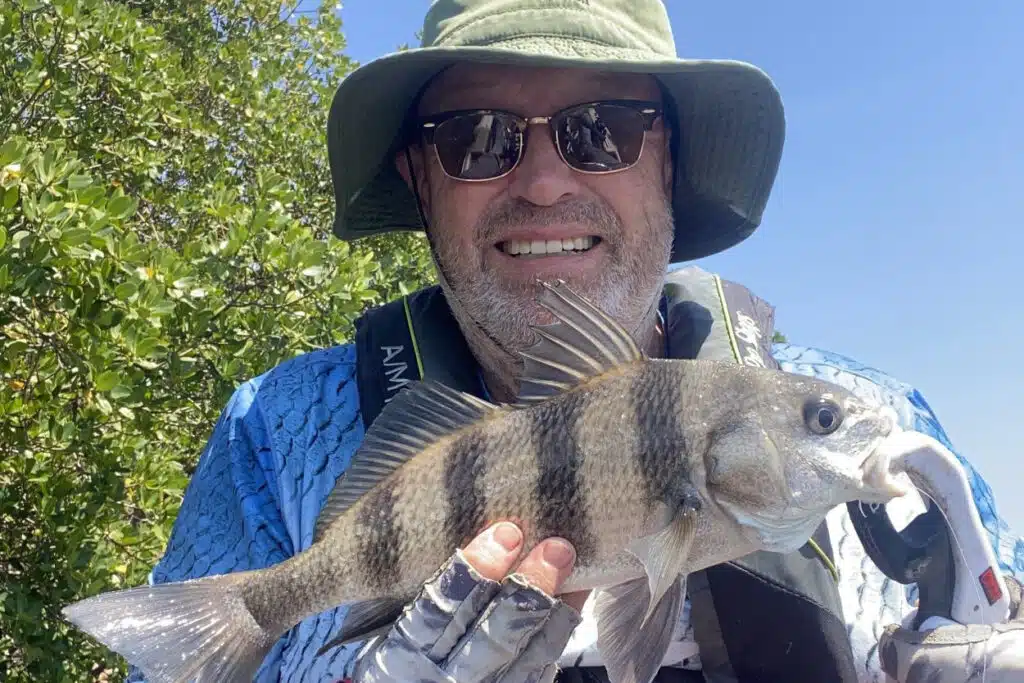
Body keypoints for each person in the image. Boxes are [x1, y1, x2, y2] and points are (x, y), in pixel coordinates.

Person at [128, 1, 1024, 681]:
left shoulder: (895, 429)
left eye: (605, 130)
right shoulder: (272, 435)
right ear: (419, 176)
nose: (546, 183)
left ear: (670, 160)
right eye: (478, 139)